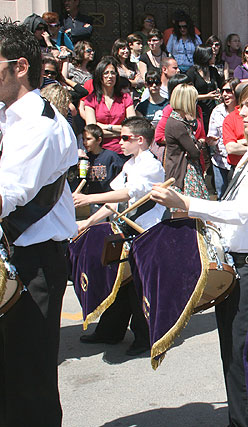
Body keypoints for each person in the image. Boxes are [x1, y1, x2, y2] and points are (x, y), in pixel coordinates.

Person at [150, 77, 248, 427]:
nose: (240, 112)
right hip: (236, 265)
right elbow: (232, 207)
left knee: (240, 354)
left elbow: (242, 210)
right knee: (232, 355)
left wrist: (187, 203)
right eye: (240, 105)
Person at [0, 22, 77, 426]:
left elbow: (7, 192)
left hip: (32, 265)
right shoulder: (10, 118)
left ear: (20, 67)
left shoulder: (40, 126)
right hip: (14, 259)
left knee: (28, 383)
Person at [74, 117, 164, 357]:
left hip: (146, 231)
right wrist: (88, 221)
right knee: (120, 281)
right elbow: (115, 199)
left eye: (125, 138)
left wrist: (89, 199)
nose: (120, 142)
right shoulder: (130, 164)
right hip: (128, 229)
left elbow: (129, 192)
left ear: (140, 140)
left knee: (137, 285)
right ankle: (110, 331)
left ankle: (145, 337)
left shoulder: (150, 165)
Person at [163, 83, 210, 209]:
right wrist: (199, 143)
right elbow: (194, 152)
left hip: (182, 170)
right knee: (188, 211)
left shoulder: (177, 121)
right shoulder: (177, 124)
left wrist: (195, 145)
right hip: (182, 174)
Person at [84, 56, 136, 156]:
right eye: (106, 73)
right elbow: (93, 132)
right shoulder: (91, 100)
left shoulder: (125, 98)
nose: (110, 76)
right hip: (100, 152)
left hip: (122, 151)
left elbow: (132, 128)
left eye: (113, 73)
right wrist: (121, 130)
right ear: (100, 76)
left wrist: (107, 127)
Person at [207, 77, 241, 196]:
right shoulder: (217, 111)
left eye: (229, 91)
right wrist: (211, 141)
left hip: (239, 162)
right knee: (222, 196)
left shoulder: (243, 111)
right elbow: (212, 136)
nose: (225, 94)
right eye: (223, 91)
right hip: (220, 161)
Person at [80, 124, 124, 198]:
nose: (84, 142)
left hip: (109, 197)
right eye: (83, 139)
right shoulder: (85, 158)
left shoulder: (111, 156)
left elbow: (120, 175)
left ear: (99, 140)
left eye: (88, 139)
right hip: (92, 198)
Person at [186, 45, 223, 131]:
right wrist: (207, 96)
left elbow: (220, 85)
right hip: (198, 111)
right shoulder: (192, 72)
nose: (215, 56)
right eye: (212, 54)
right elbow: (188, 95)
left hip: (212, 110)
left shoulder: (213, 71)